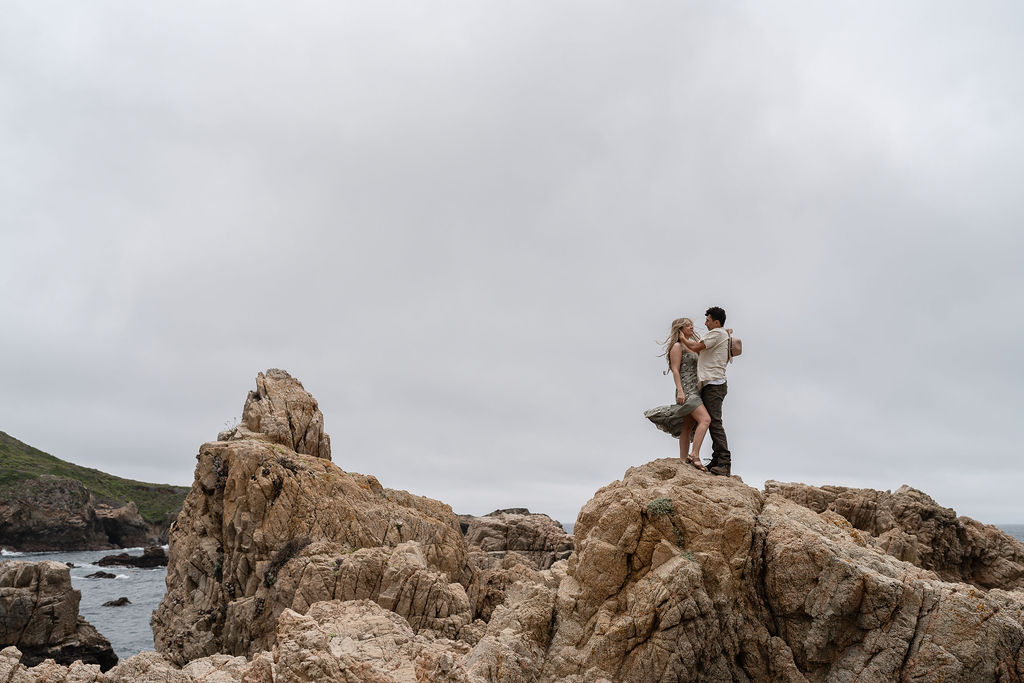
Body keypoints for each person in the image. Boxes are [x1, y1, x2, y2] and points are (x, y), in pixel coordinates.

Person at [643, 318, 712, 471]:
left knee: (687, 425)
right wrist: (680, 390)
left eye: (691, 324)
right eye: (687, 325)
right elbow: (675, 370)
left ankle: (682, 461)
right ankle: (695, 455)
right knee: (705, 419)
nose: (691, 326)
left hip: (696, 389)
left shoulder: (693, 346)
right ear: (680, 329)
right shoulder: (677, 346)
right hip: (686, 390)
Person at [678, 306, 732, 476]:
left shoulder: (717, 333)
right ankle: (717, 460)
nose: (705, 323)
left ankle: (724, 462)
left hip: (714, 384)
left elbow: (695, 347)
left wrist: (682, 338)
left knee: (714, 422)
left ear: (716, 322)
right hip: (711, 384)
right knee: (711, 422)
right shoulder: (720, 333)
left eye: (708, 320)